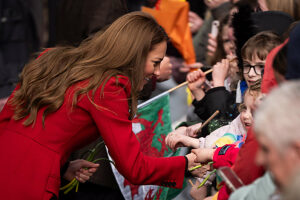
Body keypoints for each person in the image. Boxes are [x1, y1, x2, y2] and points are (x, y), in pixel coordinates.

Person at [0, 12, 199, 199]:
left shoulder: (55, 59)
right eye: (155, 62)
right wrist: (186, 164)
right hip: (30, 179)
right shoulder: (109, 86)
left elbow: (13, 117)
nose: (157, 72)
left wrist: (61, 166)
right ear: (135, 55)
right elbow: (134, 168)